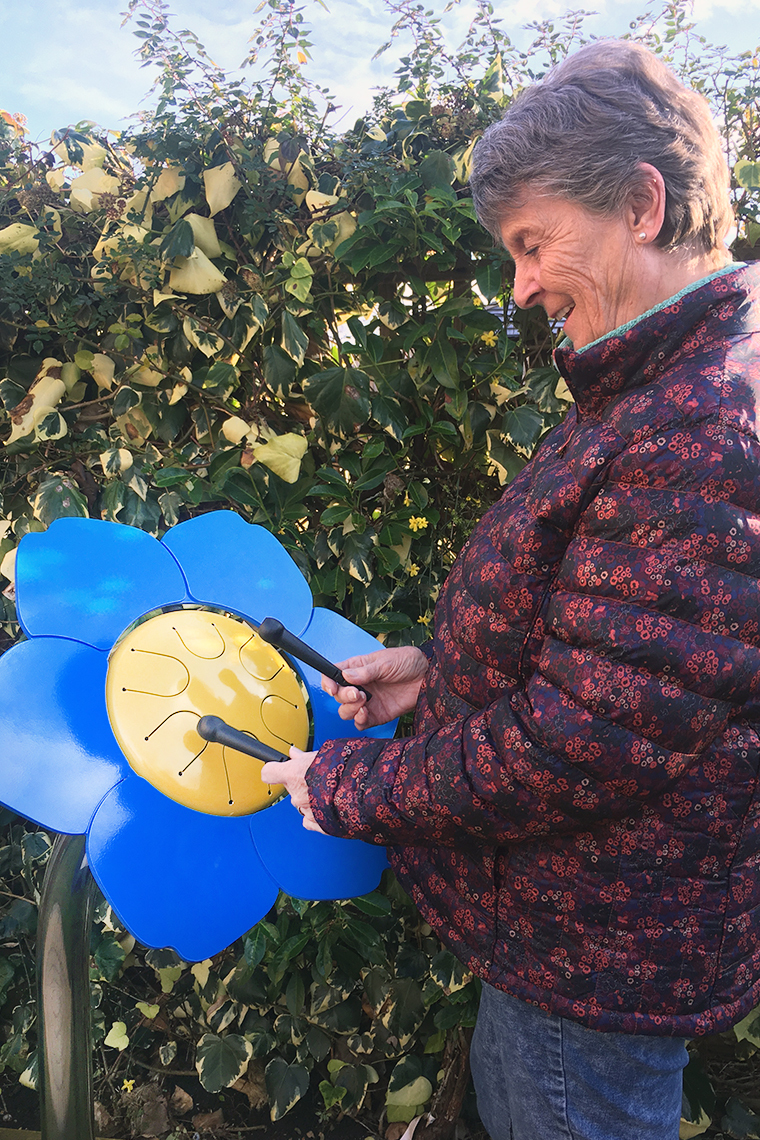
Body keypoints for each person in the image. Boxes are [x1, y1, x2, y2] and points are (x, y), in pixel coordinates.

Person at [261, 38, 760, 1140]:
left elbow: (583, 742)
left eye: (534, 245)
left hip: (594, 956)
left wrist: (350, 789)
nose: (522, 286)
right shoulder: (655, 376)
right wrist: (438, 677)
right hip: (569, 934)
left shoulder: (707, 418)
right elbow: (632, 665)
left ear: (640, 203)